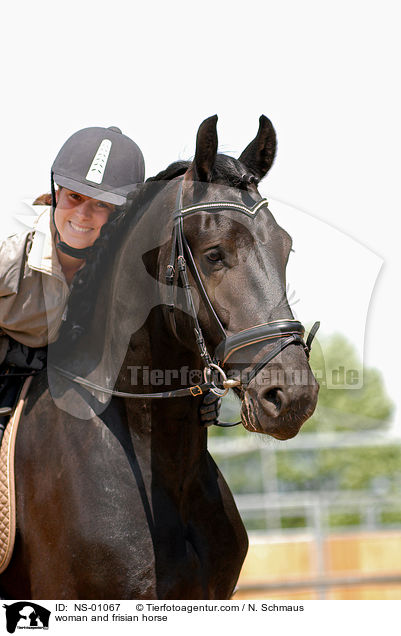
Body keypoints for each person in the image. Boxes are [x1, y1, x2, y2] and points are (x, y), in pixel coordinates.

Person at [0, 126, 220, 429]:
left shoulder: (126, 275)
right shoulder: (9, 257)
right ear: (55, 194)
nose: (82, 215)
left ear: (118, 214)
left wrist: (198, 385)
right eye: (74, 197)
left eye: (101, 204)